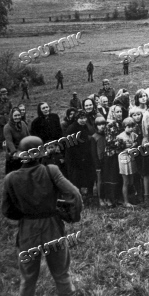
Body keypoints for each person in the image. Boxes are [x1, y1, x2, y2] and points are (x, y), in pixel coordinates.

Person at [2, 136, 82, 296]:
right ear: (41, 153)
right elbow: (74, 194)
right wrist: (73, 215)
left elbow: (7, 210)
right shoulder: (51, 170)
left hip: (27, 229)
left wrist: (24, 215)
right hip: (52, 226)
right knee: (61, 274)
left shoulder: (10, 178)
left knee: (28, 278)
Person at [64, 110, 95, 201]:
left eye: (84, 118)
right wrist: (79, 157)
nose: (83, 120)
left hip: (85, 156)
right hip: (74, 157)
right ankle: (76, 196)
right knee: (76, 178)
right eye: (80, 118)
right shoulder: (72, 128)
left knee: (86, 175)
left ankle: (87, 194)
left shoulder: (85, 127)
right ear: (76, 118)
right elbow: (69, 146)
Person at [115, 117, 138, 207]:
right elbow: (117, 150)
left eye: (132, 126)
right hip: (124, 159)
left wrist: (134, 145)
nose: (130, 128)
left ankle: (131, 198)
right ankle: (125, 201)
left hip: (131, 158)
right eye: (128, 126)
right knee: (126, 181)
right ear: (124, 126)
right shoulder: (120, 137)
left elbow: (136, 142)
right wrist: (127, 148)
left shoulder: (133, 134)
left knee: (131, 180)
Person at [3, 107, 29, 174]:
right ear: (11, 116)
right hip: (14, 154)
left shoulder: (23, 124)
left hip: (24, 151)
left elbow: (28, 136)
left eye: (19, 115)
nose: (17, 117)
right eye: (15, 115)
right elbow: (9, 141)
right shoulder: (7, 127)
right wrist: (14, 152)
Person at [90, 116, 108, 206]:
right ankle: (100, 198)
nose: (102, 126)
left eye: (103, 124)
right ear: (96, 126)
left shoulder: (107, 134)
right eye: (99, 125)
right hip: (99, 161)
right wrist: (97, 165)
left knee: (106, 179)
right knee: (100, 180)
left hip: (107, 160)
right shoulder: (94, 137)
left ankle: (107, 197)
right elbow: (93, 153)